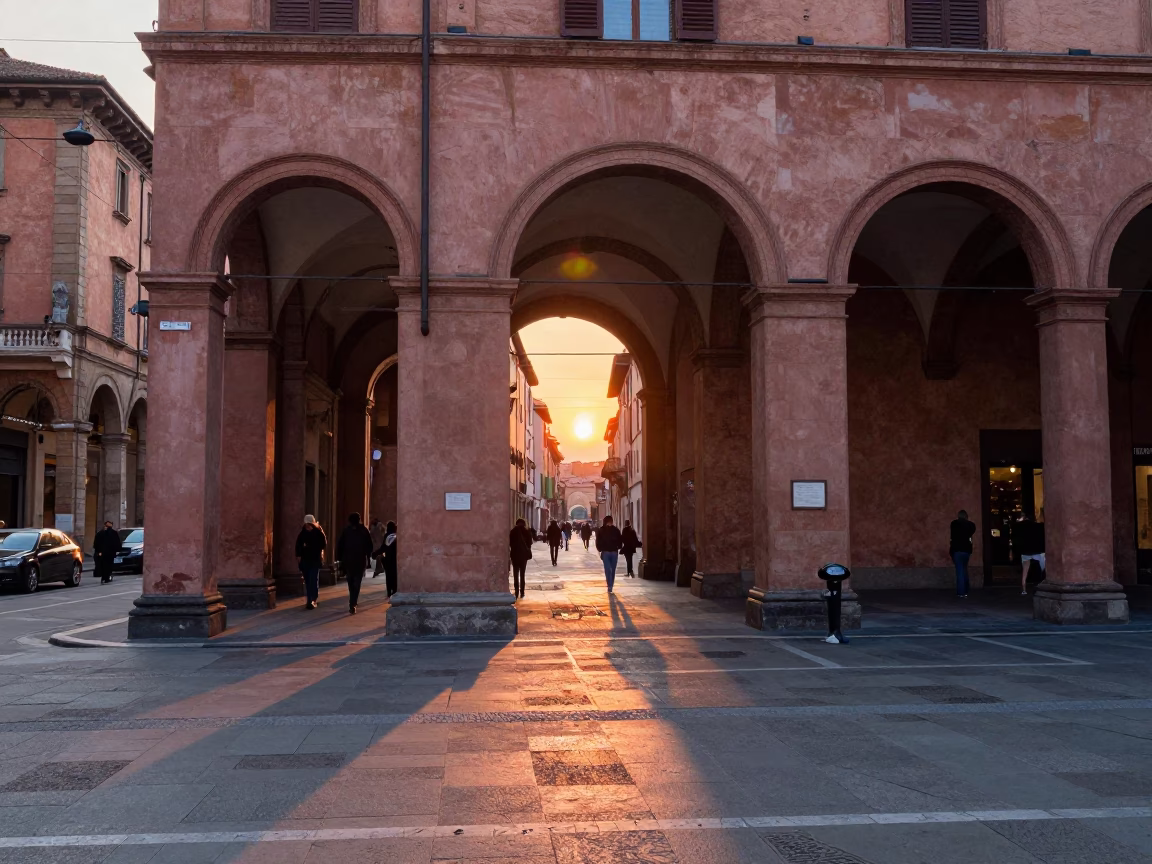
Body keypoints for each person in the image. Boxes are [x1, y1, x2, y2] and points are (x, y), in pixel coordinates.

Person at [336, 512, 374, 614]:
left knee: (351, 581)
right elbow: (369, 545)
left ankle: (352, 601)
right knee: (357, 582)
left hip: (348, 560)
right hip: (359, 560)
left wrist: (339, 558)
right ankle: (353, 602)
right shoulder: (363, 530)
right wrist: (368, 556)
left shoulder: (346, 531)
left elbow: (340, 545)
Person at [295, 514, 327, 609]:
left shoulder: (318, 533)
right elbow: (298, 547)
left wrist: (313, 548)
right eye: (306, 524)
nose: (307, 526)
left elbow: (323, 544)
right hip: (305, 561)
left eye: (309, 524)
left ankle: (313, 599)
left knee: (313, 579)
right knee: (308, 581)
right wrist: (299, 556)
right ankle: (310, 599)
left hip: (315, 560)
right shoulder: (302, 534)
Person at [1014, 511, 1046, 596]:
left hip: (1025, 551)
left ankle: (1024, 589)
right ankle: (1042, 583)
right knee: (1043, 567)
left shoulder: (1018, 526)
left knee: (1025, 570)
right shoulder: (1038, 526)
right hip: (1037, 551)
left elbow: (1016, 539)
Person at [950, 509, 977, 598]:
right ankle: (966, 589)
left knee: (960, 571)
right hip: (967, 550)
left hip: (957, 549)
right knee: (964, 569)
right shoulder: (971, 525)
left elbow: (952, 536)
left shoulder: (954, 524)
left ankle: (961, 592)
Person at [595, 515, 624, 594]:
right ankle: (610, 585)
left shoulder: (615, 530)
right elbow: (598, 540)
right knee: (608, 569)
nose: (610, 523)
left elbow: (620, 539)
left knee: (612, 569)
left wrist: (619, 546)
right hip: (606, 552)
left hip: (613, 552)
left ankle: (611, 585)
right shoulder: (602, 530)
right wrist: (600, 549)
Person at [509, 518, 533, 598]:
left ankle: (516, 591)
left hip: (515, 555)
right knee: (522, 574)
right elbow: (530, 543)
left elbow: (510, 543)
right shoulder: (526, 532)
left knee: (516, 574)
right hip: (523, 556)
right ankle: (522, 592)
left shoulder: (513, 531)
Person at [381, 521, 398, 597]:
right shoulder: (397, 536)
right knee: (395, 575)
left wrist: (376, 553)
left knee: (388, 576)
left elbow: (383, 547)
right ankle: (394, 590)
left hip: (388, 559)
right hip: (395, 560)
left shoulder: (387, 536)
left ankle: (389, 591)